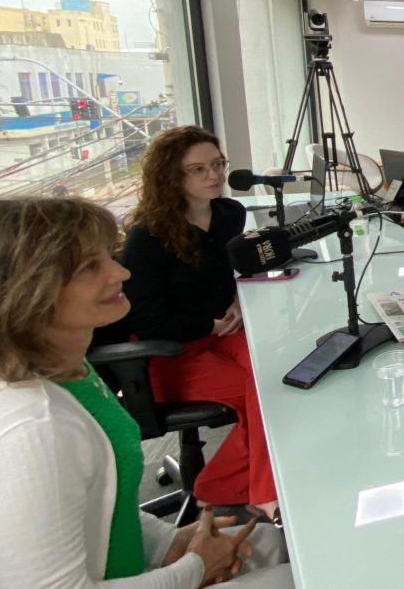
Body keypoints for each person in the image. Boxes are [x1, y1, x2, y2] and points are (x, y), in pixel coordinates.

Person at [0, 198, 292, 588]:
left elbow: (99, 506)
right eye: (89, 267)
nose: (121, 271)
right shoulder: (26, 430)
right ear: (27, 294)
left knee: (271, 540)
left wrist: (169, 544)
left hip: (118, 569)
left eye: (107, 255)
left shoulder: (70, 376)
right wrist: (194, 569)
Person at [118, 126, 279, 523]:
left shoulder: (230, 215)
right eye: (198, 169)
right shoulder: (147, 236)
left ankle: (222, 486)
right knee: (262, 393)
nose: (214, 176)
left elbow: (235, 275)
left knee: (280, 377)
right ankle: (256, 495)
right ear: (171, 177)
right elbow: (146, 318)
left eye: (218, 164)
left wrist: (238, 303)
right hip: (170, 350)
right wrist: (208, 325)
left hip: (225, 333)